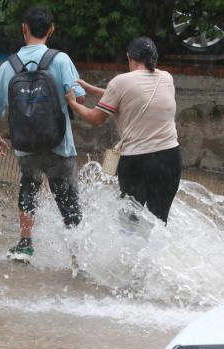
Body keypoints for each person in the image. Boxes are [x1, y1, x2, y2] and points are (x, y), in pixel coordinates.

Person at [0, 6, 86, 262]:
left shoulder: (9, 66)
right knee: (67, 196)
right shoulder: (61, 60)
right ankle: (76, 255)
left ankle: (25, 244)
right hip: (59, 144)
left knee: (28, 185)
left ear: (24, 29)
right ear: (51, 30)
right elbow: (79, 97)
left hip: (25, 145)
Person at [65, 37, 182, 224]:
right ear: (155, 58)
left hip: (137, 161)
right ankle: (154, 253)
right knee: (159, 221)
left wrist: (72, 103)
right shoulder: (166, 78)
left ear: (129, 57)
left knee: (130, 221)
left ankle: (129, 253)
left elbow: (96, 118)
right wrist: (93, 90)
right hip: (170, 158)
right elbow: (133, 97)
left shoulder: (120, 82)